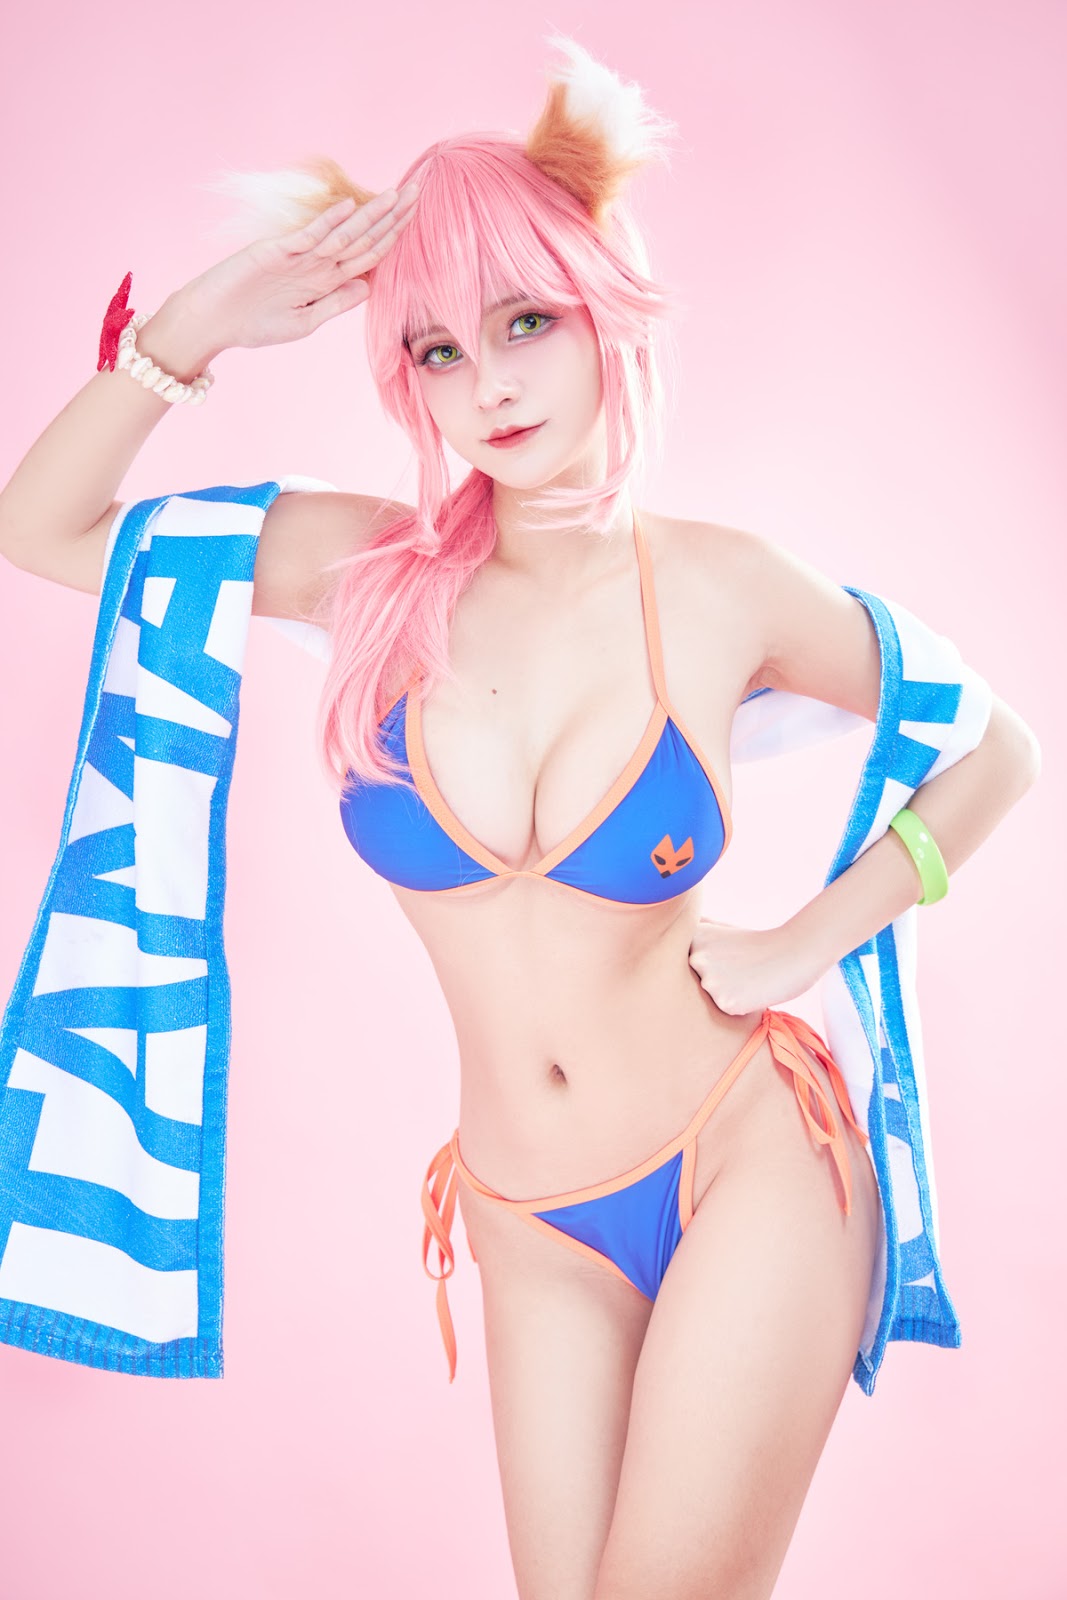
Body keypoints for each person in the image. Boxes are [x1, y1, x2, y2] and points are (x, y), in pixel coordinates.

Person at [0, 34, 1041, 1600]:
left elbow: (999, 751)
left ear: (602, 308)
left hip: (745, 1150)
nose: (486, 383)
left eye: (524, 322)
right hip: (527, 1213)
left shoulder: (726, 588)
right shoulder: (365, 576)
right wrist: (205, 323)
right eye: (435, 348)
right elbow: (42, 528)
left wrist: (806, 943)